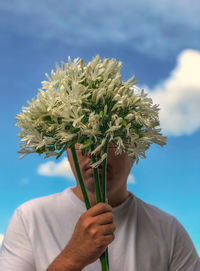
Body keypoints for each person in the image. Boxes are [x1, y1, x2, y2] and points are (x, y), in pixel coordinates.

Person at [0, 142, 199, 271]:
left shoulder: (168, 229)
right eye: (80, 135)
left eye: (110, 137)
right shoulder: (29, 217)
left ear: (135, 150)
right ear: (67, 149)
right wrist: (72, 258)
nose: (95, 151)